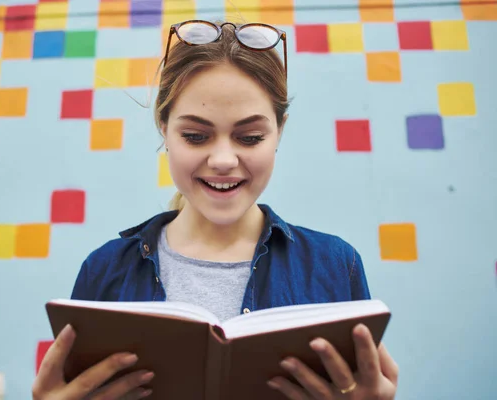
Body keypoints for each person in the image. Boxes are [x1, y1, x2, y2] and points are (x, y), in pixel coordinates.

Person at [32, 20, 399, 400]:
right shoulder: (104, 271)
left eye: (250, 137)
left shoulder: (336, 266)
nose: (223, 159)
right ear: (164, 127)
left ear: (280, 132)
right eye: (195, 136)